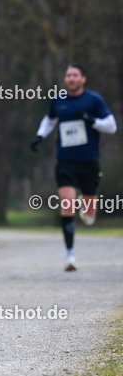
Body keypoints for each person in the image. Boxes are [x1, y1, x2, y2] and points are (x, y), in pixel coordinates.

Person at [30, 64, 117, 271]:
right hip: (65, 161)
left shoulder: (94, 100)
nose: (70, 78)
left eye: (75, 75)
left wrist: (91, 120)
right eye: (68, 75)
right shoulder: (58, 100)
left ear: (83, 79)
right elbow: (49, 120)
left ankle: (87, 208)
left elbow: (112, 126)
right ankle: (70, 256)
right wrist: (40, 136)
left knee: (88, 212)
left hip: (89, 161)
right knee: (67, 205)